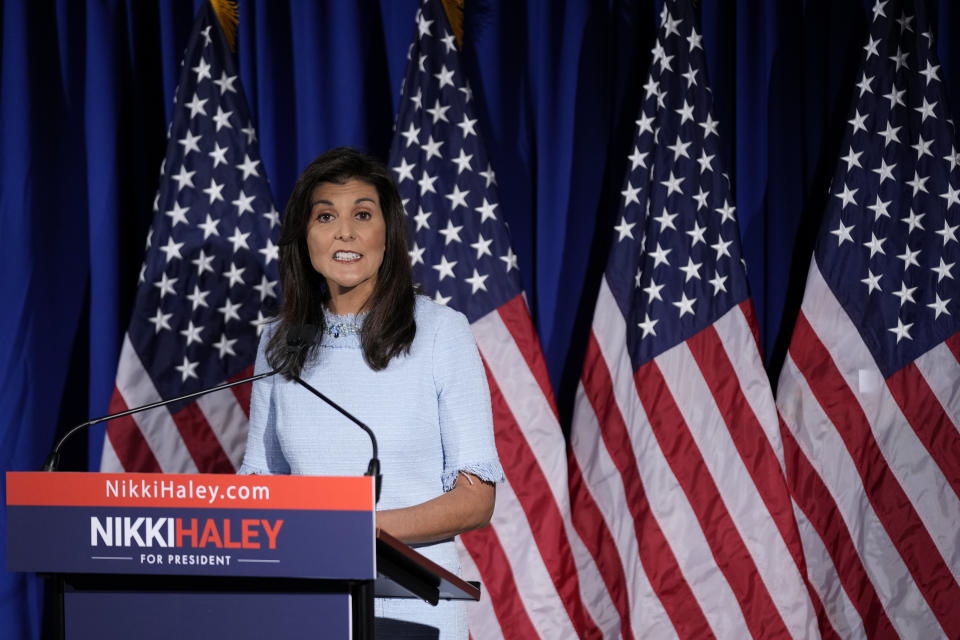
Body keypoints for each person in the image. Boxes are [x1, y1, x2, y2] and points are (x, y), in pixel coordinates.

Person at [239, 147, 503, 639]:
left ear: (388, 233)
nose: (345, 232)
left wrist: (355, 531)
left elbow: (474, 500)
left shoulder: (441, 332)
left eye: (363, 214)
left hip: (413, 609)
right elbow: (262, 481)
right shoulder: (280, 339)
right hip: (303, 602)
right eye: (326, 216)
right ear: (305, 236)